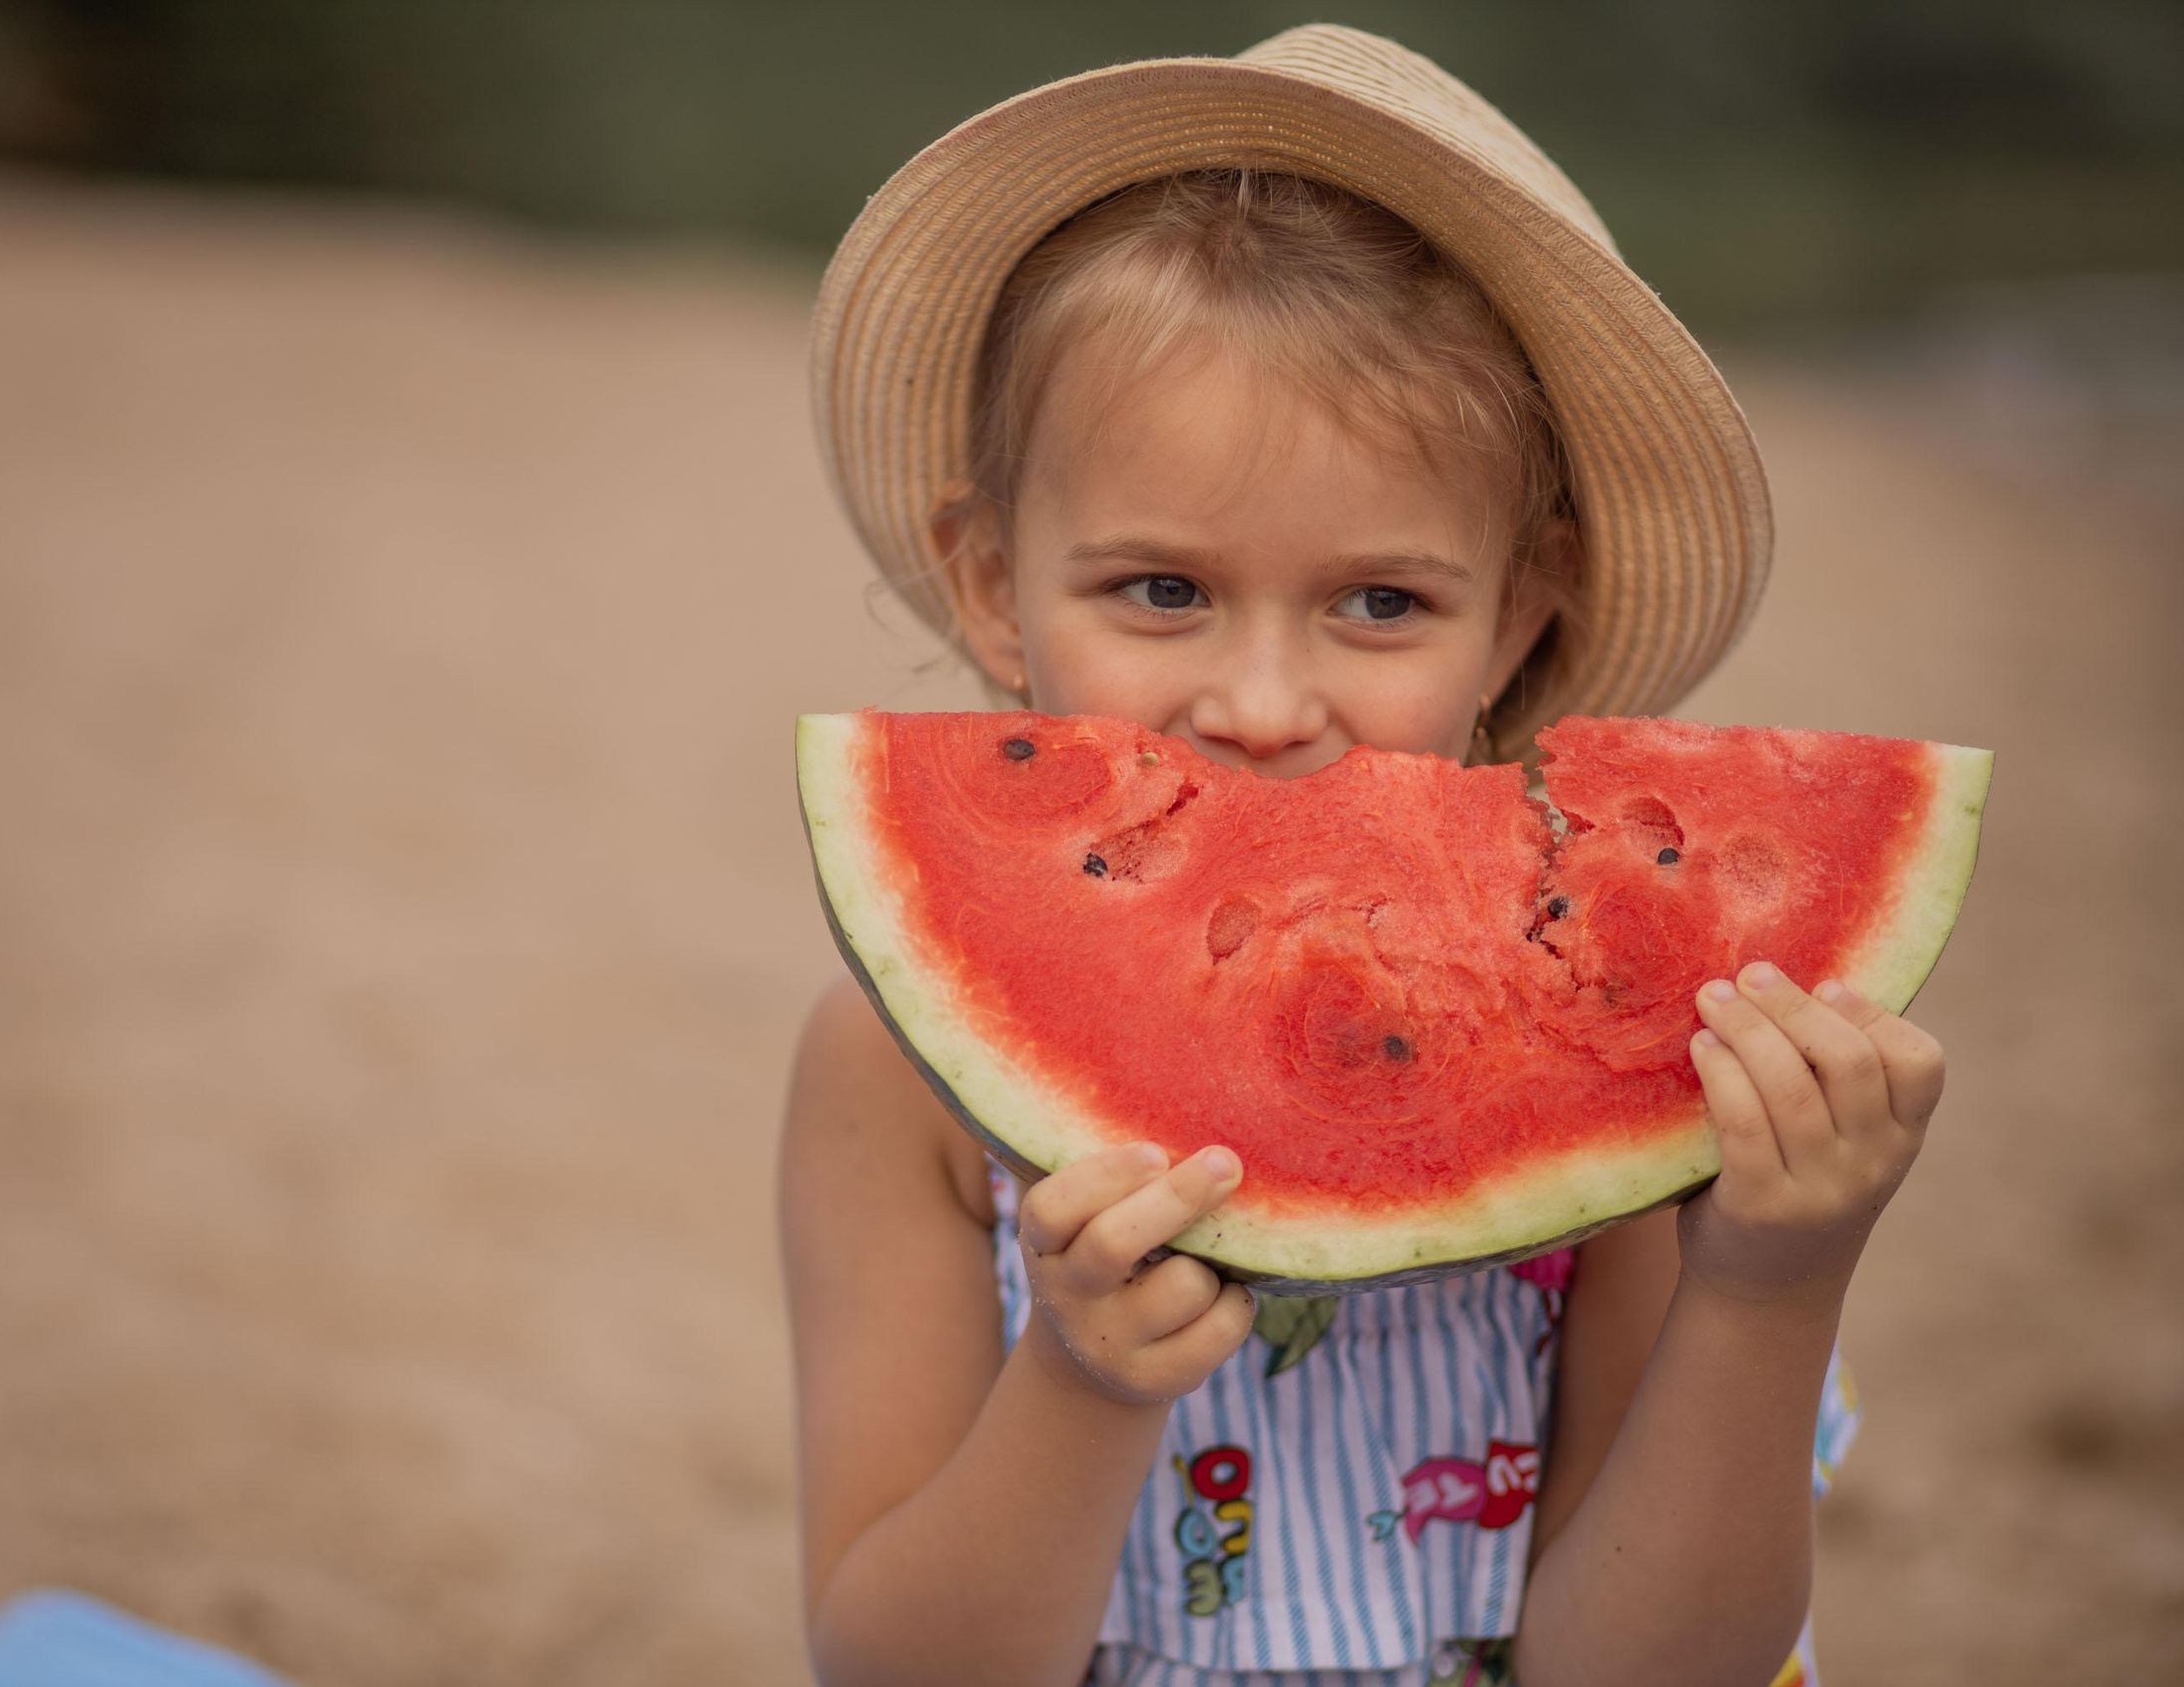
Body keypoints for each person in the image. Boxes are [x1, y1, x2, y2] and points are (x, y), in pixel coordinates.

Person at [782, 27, 1937, 1687]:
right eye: (1161, 591)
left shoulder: (1621, 1051)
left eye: (1380, 602)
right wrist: (1087, 1386)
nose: (1262, 705)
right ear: (984, 584)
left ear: (1517, 615)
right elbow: (890, 1669)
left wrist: (1769, 1287)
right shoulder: (890, 1080)